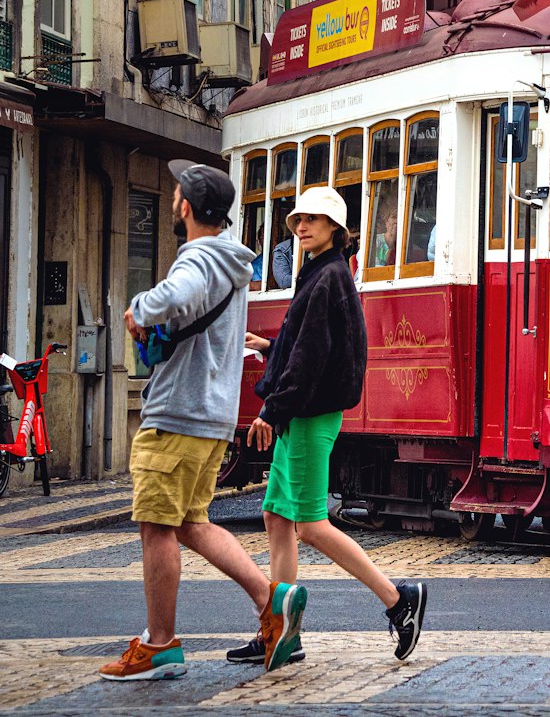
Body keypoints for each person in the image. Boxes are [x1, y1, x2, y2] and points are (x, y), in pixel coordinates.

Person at [100, 160, 305, 682]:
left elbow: (176, 296)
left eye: (174, 196)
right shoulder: (232, 263)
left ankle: (160, 645)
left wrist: (140, 307)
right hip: (211, 418)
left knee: (156, 528)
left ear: (186, 206)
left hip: (177, 415)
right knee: (192, 523)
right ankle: (270, 601)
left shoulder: (198, 257)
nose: (172, 202)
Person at [230, 185, 426, 667]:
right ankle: (279, 633)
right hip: (303, 414)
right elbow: (308, 348)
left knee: (311, 524)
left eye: (313, 220)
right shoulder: (319, 272)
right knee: (278, 517)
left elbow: (312, 358)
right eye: (298, 219)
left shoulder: (327, 276)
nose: (301, 226)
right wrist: (272, 346)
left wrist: (270, 410)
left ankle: (399, 601)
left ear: (334, 228)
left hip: (308, 416)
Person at [373, 187, 398, 267]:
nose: (397, 221)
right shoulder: (375, 241)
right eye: (394, 217)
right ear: (386, 221)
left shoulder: (406, 243)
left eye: (400, 218)